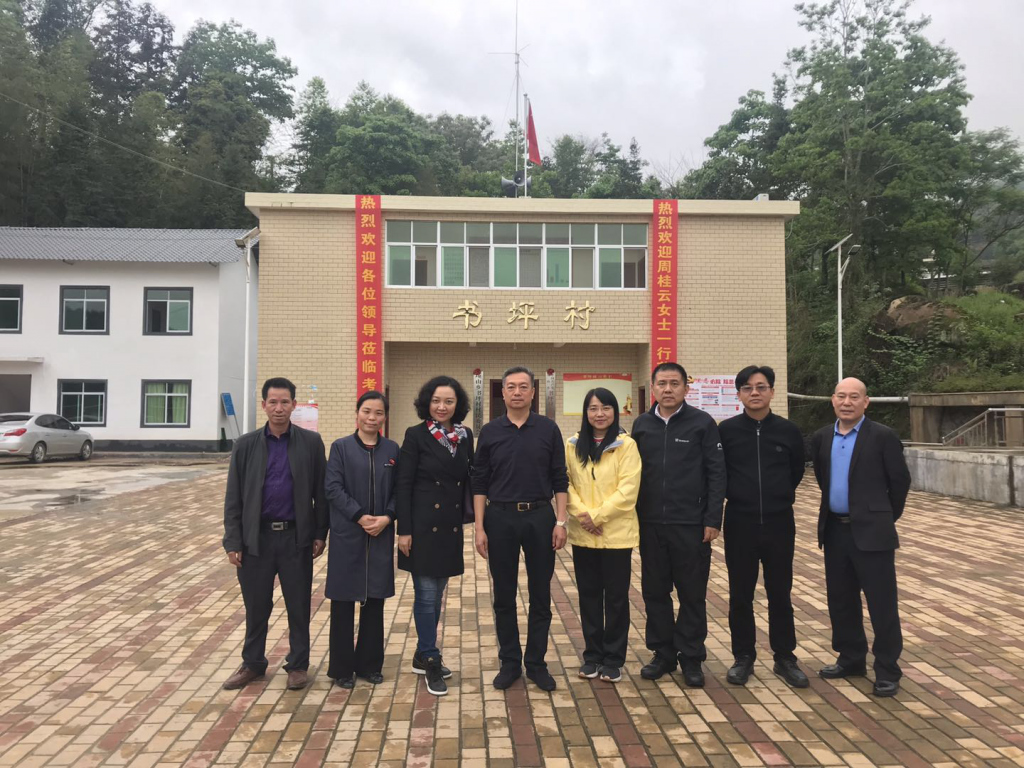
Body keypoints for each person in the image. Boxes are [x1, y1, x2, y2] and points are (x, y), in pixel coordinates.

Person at [221, 377, 327, 691]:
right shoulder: (246, 445)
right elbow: (234, 496)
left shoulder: (310, 443)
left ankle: (298, 664)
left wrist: (320, 533)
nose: (279, 408)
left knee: (298, 605)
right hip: (256, 539)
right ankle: (253, 663)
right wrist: (233, 540)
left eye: (284, 402)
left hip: (296, 539)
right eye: (273, 402)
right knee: (256, 606)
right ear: (264, 405)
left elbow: (321, 494)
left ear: (293, 405)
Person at [810, 377, 911, 698]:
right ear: (832, 400)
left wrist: (882, 516)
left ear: (866, 402)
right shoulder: (822, 437)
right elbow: (823, 479)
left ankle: (887, 669)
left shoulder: (883, 436)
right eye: (841, 396)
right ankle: (851, 658)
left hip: (873, 533)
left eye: (854, 397)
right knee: (841, 600)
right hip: (835, 531)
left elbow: (899, 483)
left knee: (882, 603)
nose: (847, 402)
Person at [473, 366, 569, 692]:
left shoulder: (548, 429)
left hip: (540, 517)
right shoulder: (490, 432)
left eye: (523, 387)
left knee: (540, 594)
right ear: (502, 393)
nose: (517, 392)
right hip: (499, 518)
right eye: (511, 387)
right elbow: (479, 481)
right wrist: (479, 528)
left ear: (533, 392)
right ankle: (510, 662)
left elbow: (559, 478)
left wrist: (560, 521)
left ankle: (537, 663)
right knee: (504, 595)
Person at [631, 362, 726, 687]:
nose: (668, 389)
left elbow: (717, 473)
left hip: (691, 525)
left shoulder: (702, 423)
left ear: (686, 387)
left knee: (692, 593)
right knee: (655, 592)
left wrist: (712, 519)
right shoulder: (642, 425)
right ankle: (663, 653)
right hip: (651, 524)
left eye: (674, 383)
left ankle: (691, 656)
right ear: (653, 388)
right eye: (662, 383)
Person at [718, 365, 808, 688]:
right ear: (739, 394)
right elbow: (719, 473)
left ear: (772, 391)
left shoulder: (788, 431)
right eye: (747, 388)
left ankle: (785, 657)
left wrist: (777, 496)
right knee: (740, 594)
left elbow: (796, 471)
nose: (754, 393)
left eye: (760, 387)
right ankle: (743, 656)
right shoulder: (726, 431)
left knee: (780, 592)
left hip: (779, 522)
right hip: (739, 521)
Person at [395, 376, 474, 697]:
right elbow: (403, 484)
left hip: (449, 527)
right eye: (437, 401)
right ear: (427, 403)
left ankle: (422, 652)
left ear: (458, 405)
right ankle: (430, 657)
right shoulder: (415, 435)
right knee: (426, 595)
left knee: (437, 594)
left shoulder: (465, 436)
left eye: (449, 401)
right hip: (422, 527)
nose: (442, 407)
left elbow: (470, 477)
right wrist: (403, 530)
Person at [324, 391, 400, 688]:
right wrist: (359, 516)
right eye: (367, 411)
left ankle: (369, 665)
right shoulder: (341, 447)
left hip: (380, 534)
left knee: (375, 601)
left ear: (385, 417)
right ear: (357, 413)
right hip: (349, 534)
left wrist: (387, 517)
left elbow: (399, 490)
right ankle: (341, 668)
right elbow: (333, 488)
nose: (372, 418)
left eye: (378, 413)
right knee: (343, 603)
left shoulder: (392, 449)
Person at [565, 388, 641, 683]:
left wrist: (597, 517)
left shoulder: (626, 445)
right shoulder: (573, 445)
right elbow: (565, 483)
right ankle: (592, 656)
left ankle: (613, 659)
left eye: (606, 408)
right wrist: (583, 515)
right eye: (593, 408)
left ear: (615, 412)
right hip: (584, 535)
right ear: (586, 412)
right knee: (589, 597)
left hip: (616, 535)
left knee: (617, 599)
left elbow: (628, 490)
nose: (600, 414)